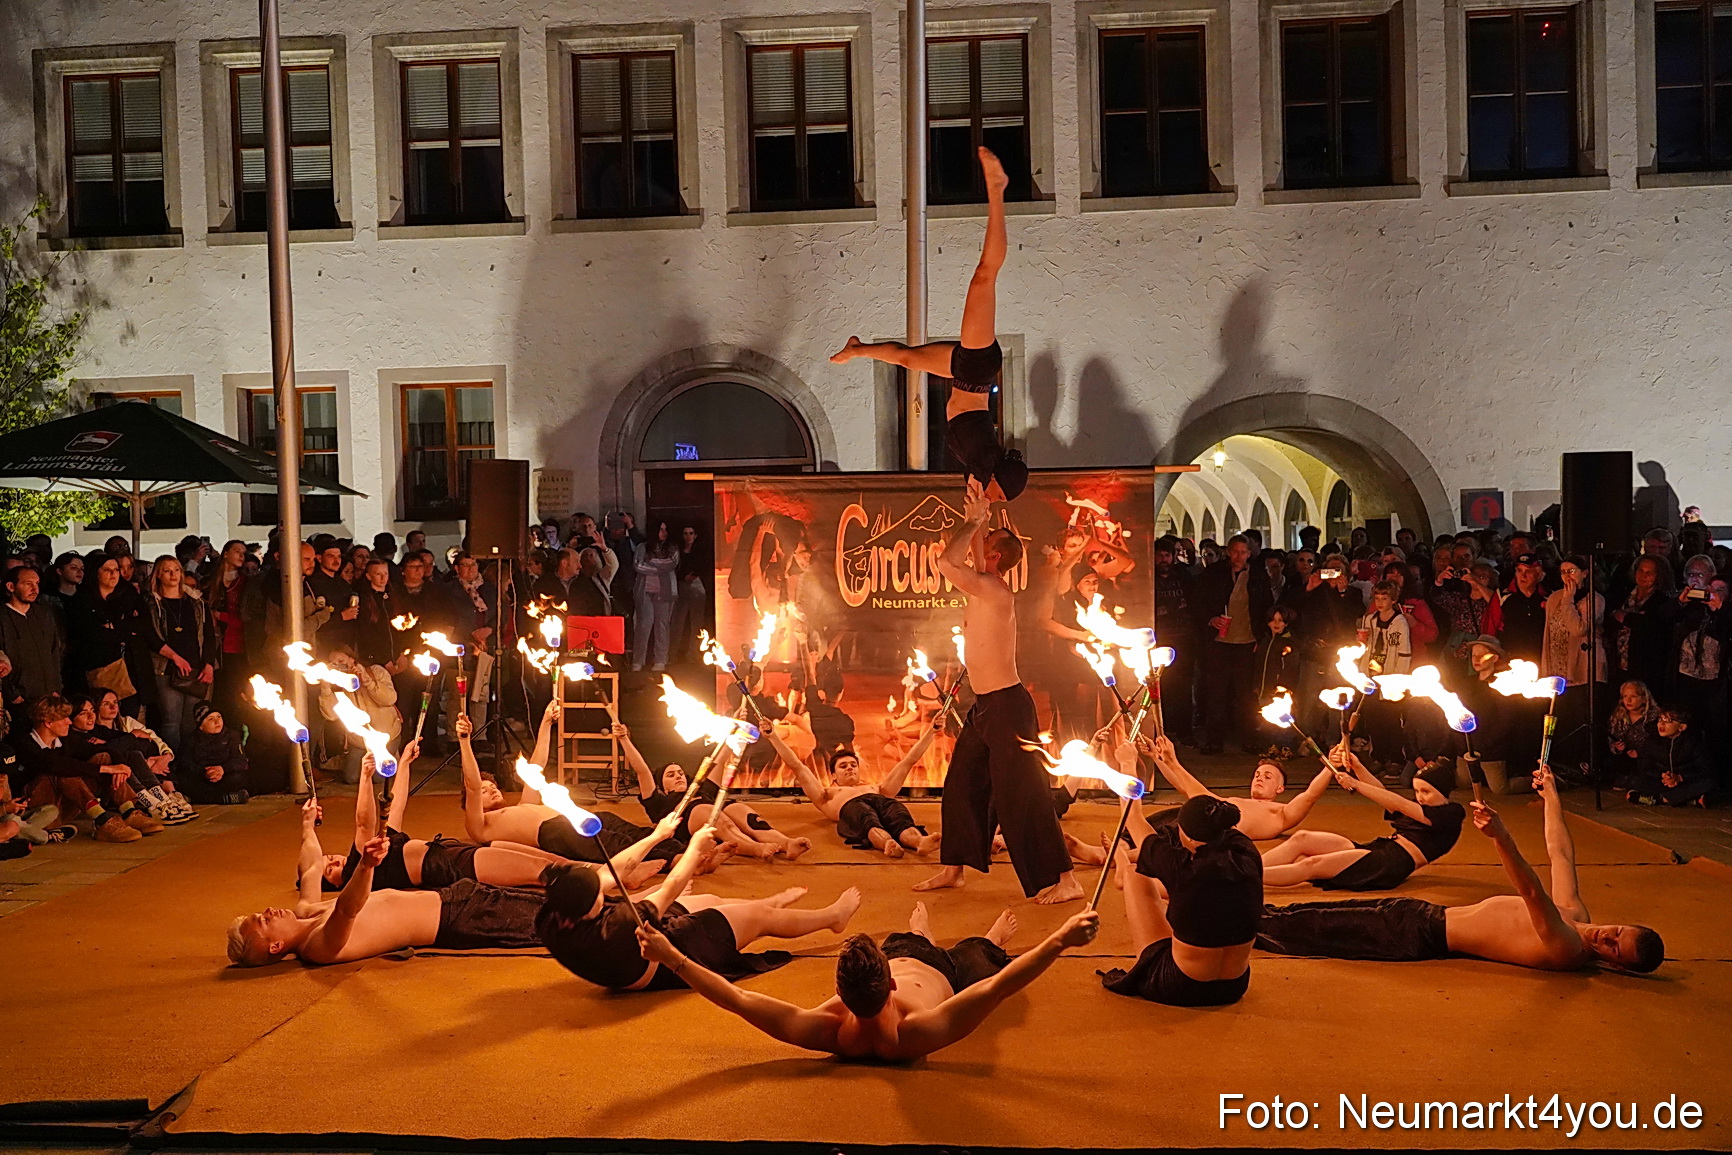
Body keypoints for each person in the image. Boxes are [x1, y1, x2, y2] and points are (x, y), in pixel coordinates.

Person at [1255, 766, 1665, 973]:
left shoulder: (1568, 949)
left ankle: (1227, 923)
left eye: (1614, 949)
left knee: (1311, 931)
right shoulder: (1577, 916)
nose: (1607, 938)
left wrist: (1501, 837)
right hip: (1420, 913)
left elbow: (1532, 891)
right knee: (1306, 914)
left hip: (1420, 936)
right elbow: (1560, 853)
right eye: (1619, 933)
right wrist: (1552, 793)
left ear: (1614, 965)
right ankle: (1239, 910)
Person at [635, 904, 1100, 1061]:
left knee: (912, 937)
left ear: (838, 994)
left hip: (908, 954)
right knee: (985, 956)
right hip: (949, 978)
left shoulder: (826, 1028)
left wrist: (671, 956)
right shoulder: (917, 1031)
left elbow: (736, 998)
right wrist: (1060, 938)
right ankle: (987, 938)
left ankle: (921, 934)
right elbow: (999, 989)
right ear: (893, 984)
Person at [910, 482, 1078, 903]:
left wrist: (971, 522)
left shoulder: (994, 591)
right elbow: (976, 557)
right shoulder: (987, 579)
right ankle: (954, 870)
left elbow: (948, 562)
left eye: (986, 546)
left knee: (1025, 797)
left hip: (1008, 708)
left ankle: (1067, 880)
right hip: (985, 707)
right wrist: (982, 519)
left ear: (997, 557)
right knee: (963, 785)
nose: (978, 550)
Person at [830, 148, 1027, 502]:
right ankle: (997, 192)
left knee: (907, 359)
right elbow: (986, 501)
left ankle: (857, 349)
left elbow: (981, 499)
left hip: (964, 375)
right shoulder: (985, 463)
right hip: (977, 371)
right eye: (998, 496)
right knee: (985, 276)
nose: (992, 500)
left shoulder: (978, 470)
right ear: (997, 479)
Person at [536, 828, 862, 992]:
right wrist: (694, 847)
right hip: (660, 961)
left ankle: (763, 905)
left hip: (625, 951)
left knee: (711, 903)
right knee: (758, 920)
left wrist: (658, 835)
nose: (602, 886)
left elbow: (617, 870)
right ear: (586, 909)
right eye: (597, 891)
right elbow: (673, 884)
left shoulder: (552, 913)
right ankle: (832, 918)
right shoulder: (622, 925)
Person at [226, 800, 548, 967]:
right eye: (264, 921)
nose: (268, 911)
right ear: (275, 946)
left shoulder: (306, 908)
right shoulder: (318, 947)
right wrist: (365, 866)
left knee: (550, 901)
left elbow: (310, 866)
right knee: (554, 921)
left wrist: (307, 826)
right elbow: (347, 909)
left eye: (261, 912)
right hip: (457, 919)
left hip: (450, 897)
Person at [306, 745, 581, 893]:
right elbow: (363, 822)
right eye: (329, 869)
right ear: (338, 885)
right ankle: (596, 891)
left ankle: (599, 877)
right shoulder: (360, 867)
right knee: (543, 874)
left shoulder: (377, 848)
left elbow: (396, 806)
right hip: (446, 866)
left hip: (450, 853)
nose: (335, 859)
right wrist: (365, 779)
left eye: (329, 857)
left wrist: (403, 766)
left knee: (553, 864)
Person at [457, 710, 691, 869]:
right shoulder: (479, 826)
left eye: (493, 786)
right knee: (615, 844)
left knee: (626, 828)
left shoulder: (521, 806)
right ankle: (677, 860)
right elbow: (473, 785)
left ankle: (683, 849)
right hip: (555, 831)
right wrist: (465, 741)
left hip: (575, 816)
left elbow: (536, 765)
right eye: (486, 791)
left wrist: (546, 722)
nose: (492, 790)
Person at [1100, 794, 1261, 1007]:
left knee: (1133, 874)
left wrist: (1127, 768)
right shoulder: (1248, 851)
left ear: (1191, 838)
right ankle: (1122, 865)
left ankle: (1122, 870)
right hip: (1235, 986)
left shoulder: (1181, 868)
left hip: (1180, 986)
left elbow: (1134, 818)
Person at [1260, 752, 1463, 889]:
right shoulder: (1421, 808)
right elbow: (1384, 795)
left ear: (1442, 791)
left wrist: (1355, 784)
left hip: (1389, 865)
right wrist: (1357, 767)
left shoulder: (1451, 813)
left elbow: (1400, 804)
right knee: (1303, 838)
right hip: (1379, 850)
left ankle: (1246, 879)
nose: (1420, 796)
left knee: (1312, 865)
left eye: (1426, 791)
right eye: (1417, 790)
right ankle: (1248, 866)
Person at [621, 722, 810, 860]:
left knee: (740, 810)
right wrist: (623, 738)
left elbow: (721, 758)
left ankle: (786, 843)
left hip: (712, 809)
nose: (678, 776)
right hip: (689, 822)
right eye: (670, 775)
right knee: (712, 814)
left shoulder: (703, 789)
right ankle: (755, 848)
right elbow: (642, 770)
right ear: (661, 786)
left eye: (680, 773)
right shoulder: (658, 802)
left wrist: (735, 726)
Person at [766, 725, 941, 859]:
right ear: (833, 775)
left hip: (880, 801)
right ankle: (888, 844)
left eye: (853, 765)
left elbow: (908, 761)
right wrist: (773, 736)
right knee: (865, 817)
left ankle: (919, 842)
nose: (850, 768)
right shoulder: (826, 795)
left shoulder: (878, 788)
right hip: (852, 807)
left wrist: (932, 732)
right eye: (843, 766)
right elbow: (797, 766)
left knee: (898, 814)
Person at [1142, 735, 1332, 840]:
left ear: (1280, 788)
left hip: (1210, 828)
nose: (1259, 779)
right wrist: (1155, 758)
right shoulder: (1236, 801)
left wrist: (1331, 767)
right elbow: (1185, 789)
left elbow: (1310, 795)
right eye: (1257, 775)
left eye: (1268, 776)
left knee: (1204, 804)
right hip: (1197, 817)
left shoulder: (1282, 813)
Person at [16, 694, 145, 842]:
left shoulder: (65, 739)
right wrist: (106, 770)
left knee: (103, 757)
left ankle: (129, 811)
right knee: (62, 772)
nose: (69, 722)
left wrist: (121, 767)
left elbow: (105, 750)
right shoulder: (25, 743)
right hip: (38, 812)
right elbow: (54, 764)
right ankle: (102, 820)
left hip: (64, 809)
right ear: (48, 723)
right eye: (63, 718)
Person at [1194, 535, 1273, 755]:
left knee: (1245, 693)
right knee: (1216, 692)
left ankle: (1248, 736)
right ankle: (1214, 739)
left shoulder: (1257, 575)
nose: (1239, 556)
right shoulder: (1214, 573)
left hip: (1246, 641)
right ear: (1228, 552)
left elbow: (1266, 604)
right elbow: (1199, 601)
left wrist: (1261, 636)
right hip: (1219, 641)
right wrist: (1211, 619)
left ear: (1249, 554)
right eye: (1235, 552)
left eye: (1243, 552)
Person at [139, 556, 218, 753]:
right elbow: (150, 635)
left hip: (197, 667)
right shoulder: (151, 603)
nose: (173, 574)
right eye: (167, 570)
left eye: (176, 570)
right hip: (166, 669)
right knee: (171, 721)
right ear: (158, 574)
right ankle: (171, 763)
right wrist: (174, 657)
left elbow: (209, 635)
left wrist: (209, 664)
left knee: (192, 720)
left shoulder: (197, 603)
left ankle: (189, 762)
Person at [317, 645, 401, 785]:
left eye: (341, 660)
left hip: (387, 734)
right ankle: (351, 758)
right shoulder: (338, 685)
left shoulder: (375, 671)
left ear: (351, 658)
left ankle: (392, 754)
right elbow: (330, 715)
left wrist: (368, 681)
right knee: (352, 778)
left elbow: (390, 699)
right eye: (334, 663)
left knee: (379, 778)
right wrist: (325, 687)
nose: (339, 665)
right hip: (359, 741)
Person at [1623, 706, 1711, 807]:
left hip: (1683, 783)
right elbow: (1644, 765)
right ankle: (1683, 800)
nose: (1661, 723)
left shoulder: (1693, 742)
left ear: (1681, 727)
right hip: (1661, 782)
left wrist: (1680, 778)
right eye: (1660, 719)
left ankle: (1658, 800)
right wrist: (1662, 776)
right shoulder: (1652, 741)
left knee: (1709, 783)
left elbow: (1706, 769)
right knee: (1635, 780)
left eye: (1668, 720)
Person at [203, 540, 251, 719]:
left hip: (235, 643)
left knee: (233, 689)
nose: (241, 555)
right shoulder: (212, 581)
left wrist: (220, 616)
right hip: (214, 642)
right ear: (225, 553)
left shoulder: (244, 583)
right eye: (237, 551)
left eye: (243, 553)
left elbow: (246, 616)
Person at [175, 702, 250, 806]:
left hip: (224, 776)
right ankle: (224, 799)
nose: (217, 721)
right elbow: (185, 763)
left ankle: (198, 798)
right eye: (210, 719)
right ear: (201, 726)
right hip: (203, 777)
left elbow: (241, 760)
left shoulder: (232, 735)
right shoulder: (191, 739)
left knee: (239, 778)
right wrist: (205, 773)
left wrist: (222, 769)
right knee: (182, 779)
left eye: (218, 716)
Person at [630, 522, 680, 673]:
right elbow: (638, 565)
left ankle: (660, 660)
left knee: (662, 626)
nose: (663, 532)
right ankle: (638, 661)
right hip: (645, 591)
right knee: (643, 625)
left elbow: (671, 563)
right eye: (660, 529)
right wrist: (660, 568)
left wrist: (650, 562)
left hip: (664, 593)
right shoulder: (642, 547)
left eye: (666, 529)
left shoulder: (672, 548)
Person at [671, 523, 713, 664]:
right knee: (677, 621)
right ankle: (673, 654)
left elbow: (704, 565)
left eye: (690, 533)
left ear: (695, 535)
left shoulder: (701, 550)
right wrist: (682, 577)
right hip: (681, 585)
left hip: (696, 585)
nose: (688, 536)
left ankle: (693, 654)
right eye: (685, 533)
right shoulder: (678, 551)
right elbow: (674, 567)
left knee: (696, 622)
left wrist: (694, 575)